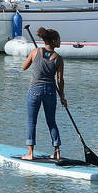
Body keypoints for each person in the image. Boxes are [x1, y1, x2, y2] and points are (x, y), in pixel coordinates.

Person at [20, 26, 65, 161]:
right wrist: (62, 96)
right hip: (51, 91)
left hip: (35, 90)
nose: (60, 41)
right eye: (59, 39)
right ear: (53, 41)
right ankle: (57, 152)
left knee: (31, 121)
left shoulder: (35, 52)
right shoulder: (58, 58)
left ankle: (30, 153)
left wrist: (35, 58)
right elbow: (60, 80)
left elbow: (23, 67)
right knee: (51, 122)